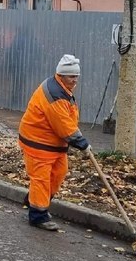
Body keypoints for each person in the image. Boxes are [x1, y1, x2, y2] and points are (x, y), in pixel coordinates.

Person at [18, 54, 91, 231]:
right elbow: (64, 126)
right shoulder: (55, 95)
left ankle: (33, 200)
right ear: (61, 75)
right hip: (38, 142)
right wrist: (81, 143)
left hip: (53, 143)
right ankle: (38, 215)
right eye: (71, 76)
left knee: (59, 172)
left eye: (76, 77)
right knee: (41, 179)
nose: (75, 81)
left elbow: (66, 121)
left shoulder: (60, 87)